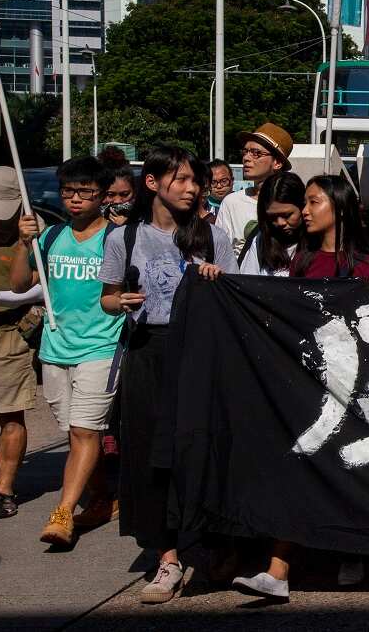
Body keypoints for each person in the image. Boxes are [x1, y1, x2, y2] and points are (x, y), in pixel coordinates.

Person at [229, 174, 369, 602]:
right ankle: (277, 570)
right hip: (309, 387)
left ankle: (352, 552)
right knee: (299, 466)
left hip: (357, 393)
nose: (305, 211)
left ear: (337, 207)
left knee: (352, 473)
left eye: (314, 202)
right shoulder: (302, 261)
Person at [98, 147, 236, 603]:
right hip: (147, 352)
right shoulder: (125, 237)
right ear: (152, 183)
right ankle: (168, 559)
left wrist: (218, 282)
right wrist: (120, 303)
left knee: (200, 450)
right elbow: (107, 296)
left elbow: (235, 296)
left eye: (195, 180)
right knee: (148, 457)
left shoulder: (212, 236)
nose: (191, 187)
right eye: (180, 179)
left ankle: (214, 545)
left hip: (199, 353)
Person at [7, 158, 124, 545]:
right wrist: (26, 245)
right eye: (69, 192)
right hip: (55, 349)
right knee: (76, 435)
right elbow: (22, 283)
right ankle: (105, 497)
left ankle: (63, 512)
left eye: (85, 192)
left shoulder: (116, 239)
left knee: (84, 431)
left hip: (101, 347)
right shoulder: (52, 236)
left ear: (103, 196)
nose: (75, 199)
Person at [0, 167, 41, 522]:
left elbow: (42, 287)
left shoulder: (36, 235)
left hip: (8, 329)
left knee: (9, 411)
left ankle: (5, 489)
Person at [215, 122, 294, 254]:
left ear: (277, 163)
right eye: (245, 151)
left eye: (256, 153)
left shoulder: (292, 205)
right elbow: (219, 253)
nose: (246, 158)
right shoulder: (231, 203)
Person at [237, 172, 306, 276]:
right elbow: (248, 282)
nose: (280, 223)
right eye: (272, 217)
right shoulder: (259, 240)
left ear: (302, 208)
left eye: (287, 215)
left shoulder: (319, 242)